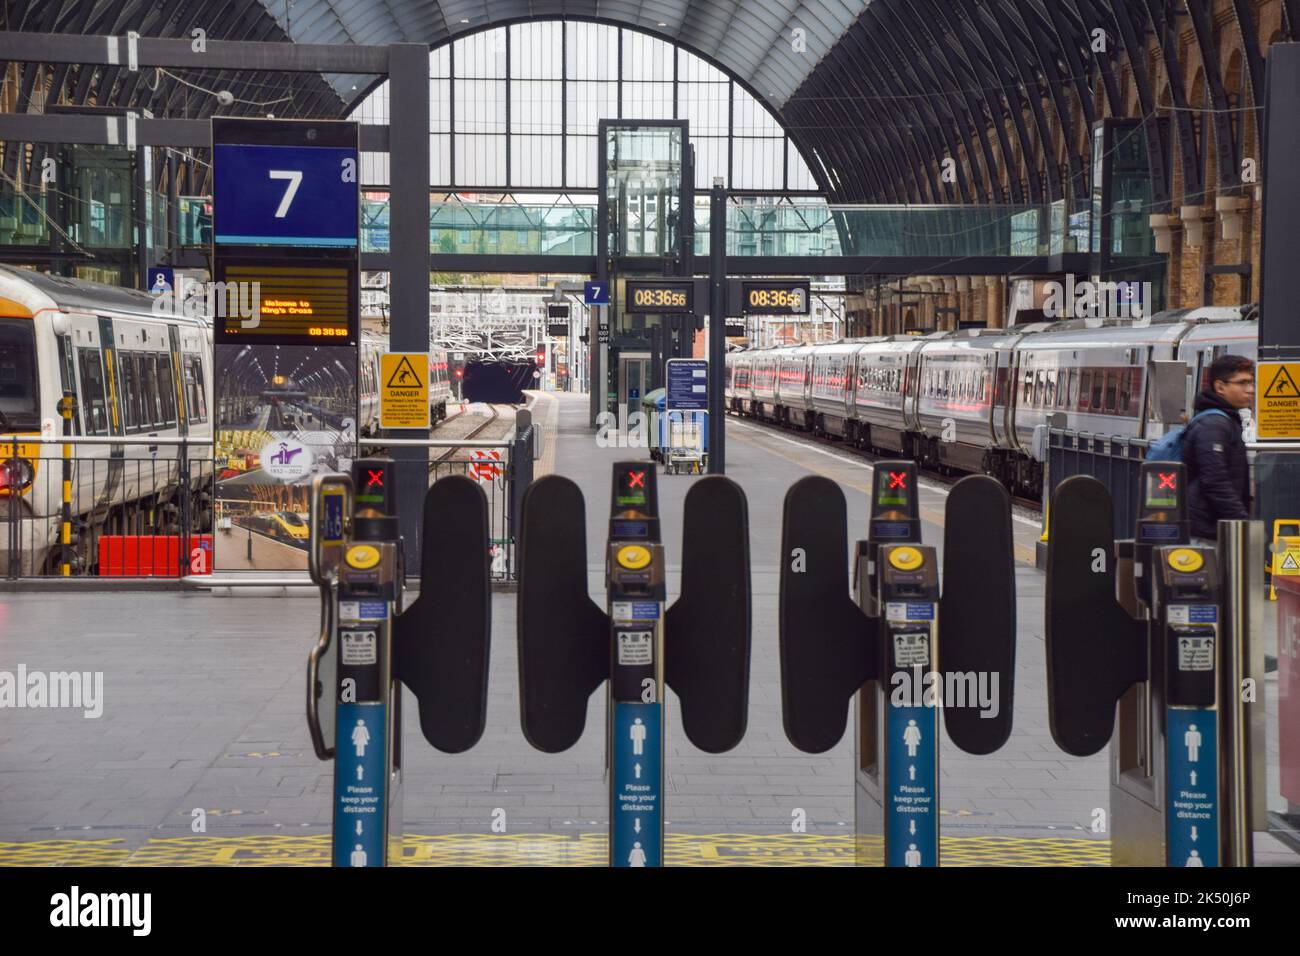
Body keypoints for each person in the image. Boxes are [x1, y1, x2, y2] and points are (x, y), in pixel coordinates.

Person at [1185, 355, 1254, 541]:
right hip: (1206, 528)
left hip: (1213, 525)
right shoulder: (1214, 425)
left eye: (1251, 382)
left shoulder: (1225, 420)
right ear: (1220, 387)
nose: (1251, 389)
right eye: (1242, 383)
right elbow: (1215, 480)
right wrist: (1241, 520)